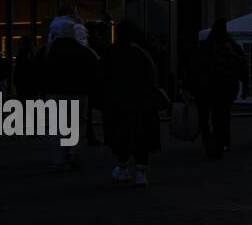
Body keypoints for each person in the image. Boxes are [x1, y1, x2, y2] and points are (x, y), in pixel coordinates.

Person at [101, 21, 162, 186]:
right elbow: (151, 78)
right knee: (141, 136)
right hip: (141, 101)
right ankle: (141, 172)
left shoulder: (111, 52)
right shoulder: (142, 53)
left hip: (117, 102)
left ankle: (122, 168)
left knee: (120, 136)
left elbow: (103, 78)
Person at [43, 16, 97, 170]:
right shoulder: (83, 51)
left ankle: (59, 157)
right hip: (78, 92)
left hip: (54, 92)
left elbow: (39, 73)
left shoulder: (48, 51)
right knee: (78, 123)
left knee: (56, 126)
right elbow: (94, 71)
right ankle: (74, 152)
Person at [193, 19, 246, 159]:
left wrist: (188, 87)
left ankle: (210, 143)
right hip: (226, 87)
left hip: (205, 87)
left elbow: (194, 67)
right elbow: (242, 66)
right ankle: (221, 143)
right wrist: (245, 85)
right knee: (222, 118)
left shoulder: (205, 46)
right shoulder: (232, 46)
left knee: (205, 119)